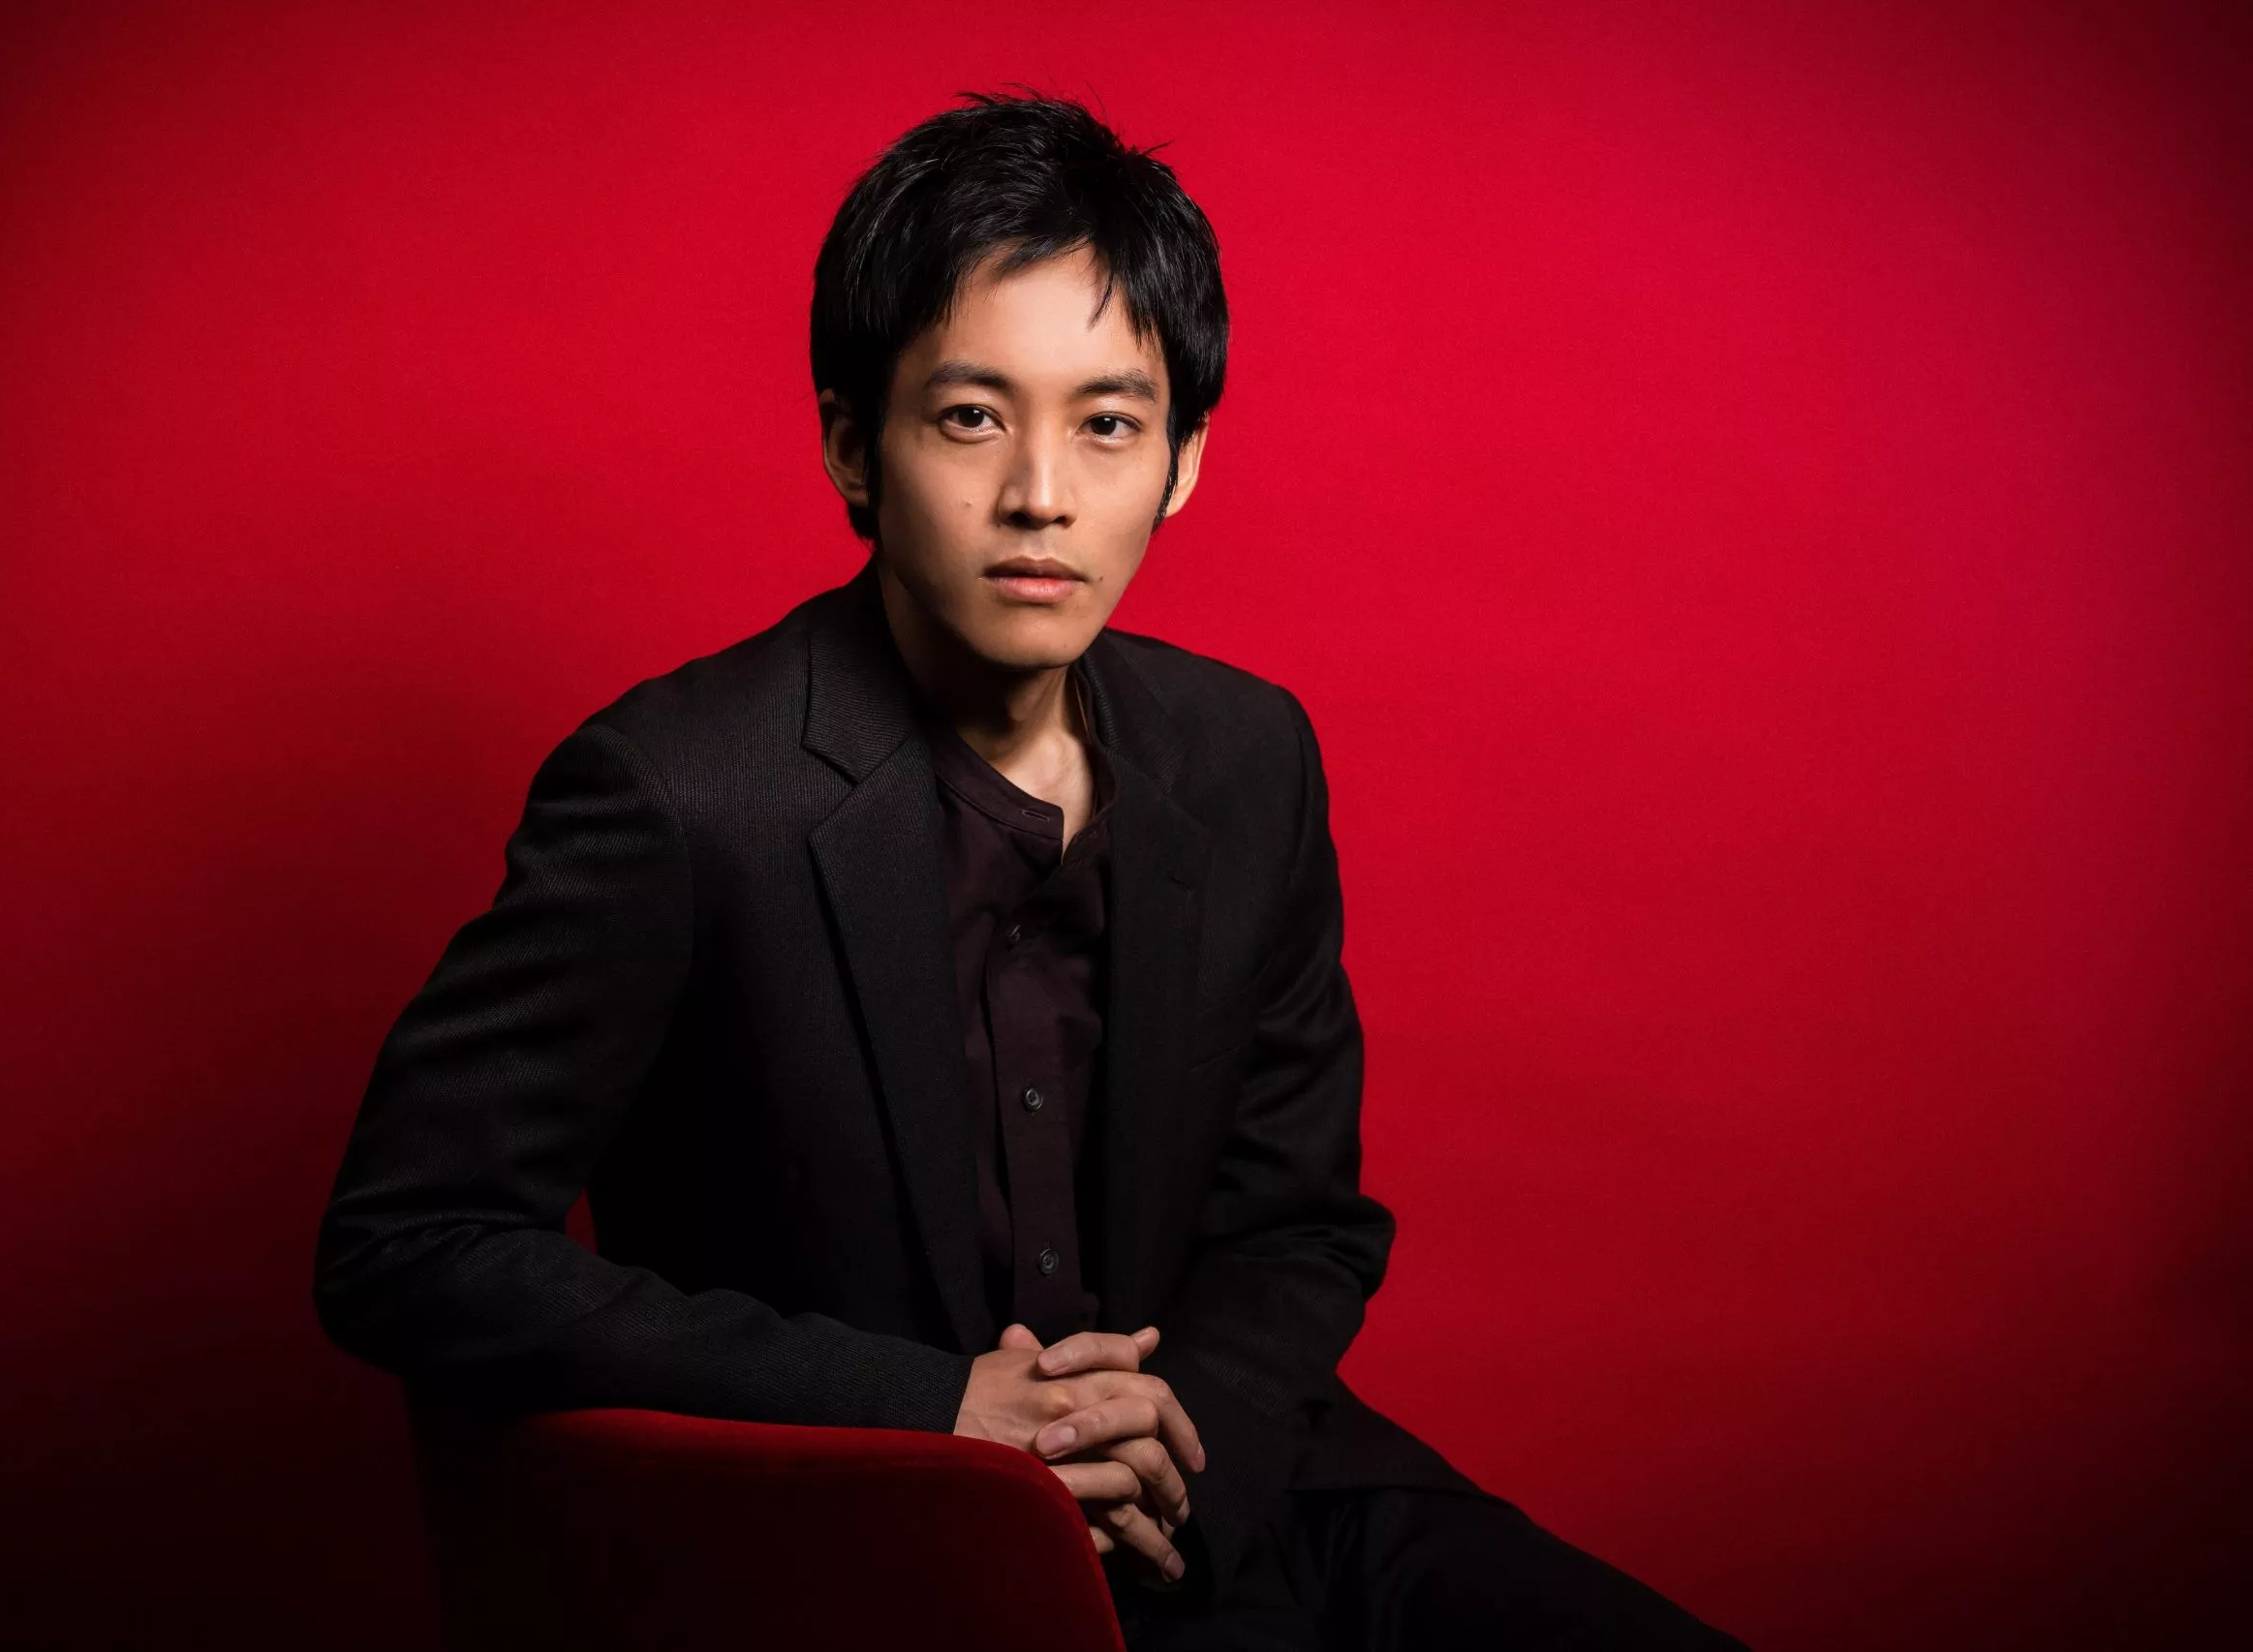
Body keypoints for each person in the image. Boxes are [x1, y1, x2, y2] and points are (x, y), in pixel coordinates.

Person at [315, 91, 1743, 1649]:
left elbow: (1300, 1223)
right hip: (879, 1534)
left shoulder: (1248, 755)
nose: (1042, 494)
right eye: (971, 417)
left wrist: (1169, 1456)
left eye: (1108, 423)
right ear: (852, 444)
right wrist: (935, 1410)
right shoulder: (677, 790)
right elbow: (411, 1244)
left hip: (1241, 1487)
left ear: (1185, 460)